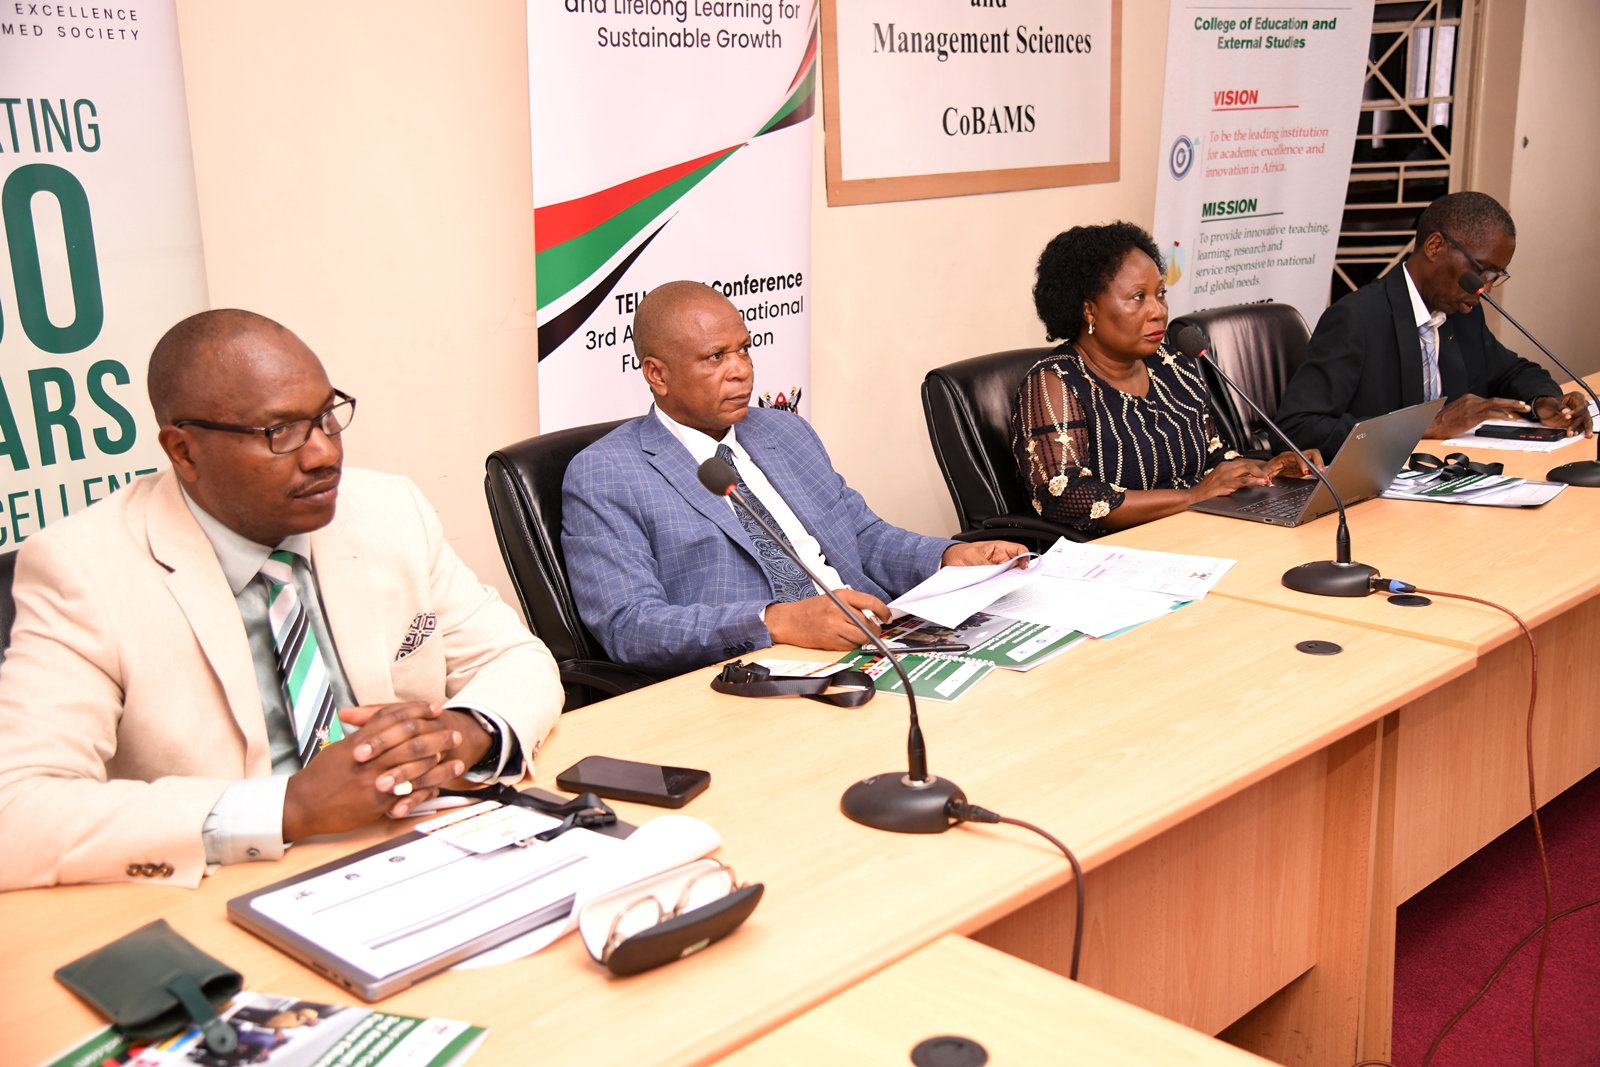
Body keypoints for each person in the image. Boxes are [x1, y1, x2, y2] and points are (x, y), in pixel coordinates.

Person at [0, 310, 562, 890]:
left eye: (326, 417)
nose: (323, 454)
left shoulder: (389, 509)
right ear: (183, 451)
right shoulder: (84, 571)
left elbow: (517, 657)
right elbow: (16, 811)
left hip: (422, 850)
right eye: (280, 432)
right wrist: (288, 806)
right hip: (227, 887)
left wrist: (460, 733)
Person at [562, 281, 1026, 676]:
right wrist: (775, 622)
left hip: (875, 646)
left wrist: (949, 556)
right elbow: (630, 625)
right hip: (759, 673)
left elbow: (862, 537)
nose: (741, 369)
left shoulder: (783, 430)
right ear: (657, 375)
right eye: (714, 357)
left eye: (744, 348)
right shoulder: (607, 474)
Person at [1013, 223, 1319, 534]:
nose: (1158, 310)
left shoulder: (1172, 365)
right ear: (1089, 310)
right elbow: (1066, 496)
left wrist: (1267, 470)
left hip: (1196, 533)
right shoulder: (1055, 382)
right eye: (1138, 297)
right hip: (1113, 554)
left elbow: (1214, 457)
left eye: (1160, 293)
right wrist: (1191, 497)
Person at [1276, 191, 1591, 457]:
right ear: (1435, 246)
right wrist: (1429, 425)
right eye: (1481, 271)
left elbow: (1511, 371)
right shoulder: (1357, 319)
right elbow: (1298, 427)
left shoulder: (1461, 312)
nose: (1486, 287)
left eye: (1495, 275)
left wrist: (1545, 403)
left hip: (1451, 476)